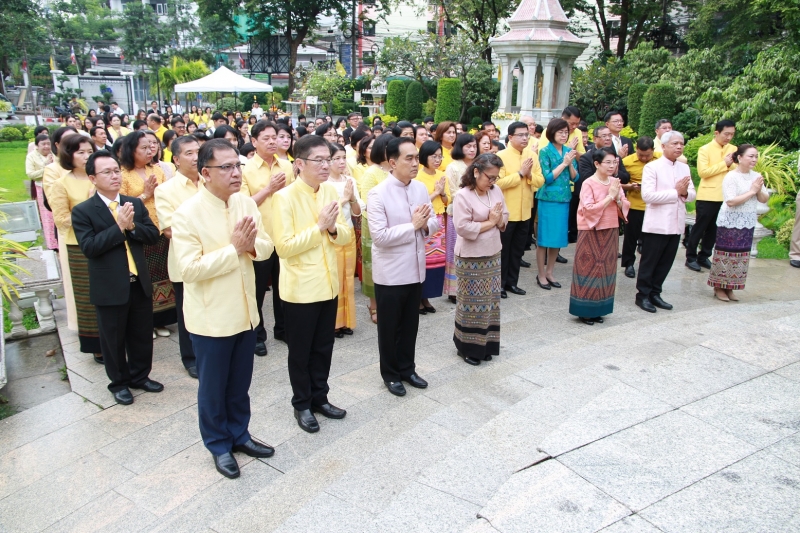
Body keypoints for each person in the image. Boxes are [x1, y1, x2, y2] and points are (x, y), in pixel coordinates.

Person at [171, 139, 275, 479]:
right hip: (211, 318)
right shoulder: (187, 214)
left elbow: (266, 245)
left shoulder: (245, 202)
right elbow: (189, 269)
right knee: (213, 388)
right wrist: (234, 250)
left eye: (237, 166)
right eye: (226, 167)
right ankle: (218, 443)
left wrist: (248, 248)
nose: (235, 173)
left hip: (245, 312)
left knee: (239, 384)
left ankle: (240, 434)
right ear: (205, 173)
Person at [272, 135, 351, 433]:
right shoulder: (284, 197)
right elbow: (285, 247)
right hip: (300, 289)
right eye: (319, 160)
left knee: (324, 346)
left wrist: (331, 228)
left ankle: (320, 397)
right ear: (300, 164)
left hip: (328, 283)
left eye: (328, 159)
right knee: (301, 350)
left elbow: (346, 235)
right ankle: (302, 403)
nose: (325, 165)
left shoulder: (330, 189)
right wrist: (318, 227)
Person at [71, 150, 162, 405]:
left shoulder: (134, 203)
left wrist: (132, 226)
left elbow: (152, 236)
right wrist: (119, 227)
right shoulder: (84, 211)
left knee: (141, 334)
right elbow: (89, 247)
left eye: (116, 171)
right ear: (92, 178)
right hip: (110, 286)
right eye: (107, 172)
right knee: (113, 338)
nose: (114, 176)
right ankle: (119, 383)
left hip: (138, 281)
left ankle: (140, 376)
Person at [369, 137, 439, 397]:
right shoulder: (378, 193)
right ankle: (390, 373)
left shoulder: (420, 188)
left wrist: (423, 224)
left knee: (411, 324)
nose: (415, 163)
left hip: (416, 268)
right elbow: (380, 236)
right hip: (391, 272)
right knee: (389, 327)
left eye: (415, 157)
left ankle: (407, 368)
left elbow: (433, 223)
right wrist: (413, 225)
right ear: (392, 162)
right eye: (408, 158)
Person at [241, 121, 294, 356]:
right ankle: (257, 334)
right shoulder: (244, 169)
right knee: (257, 290)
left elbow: (293, 198)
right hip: (259, 239)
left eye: (275, 137)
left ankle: (283, 329)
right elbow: (242, 205)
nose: (273, 141)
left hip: (283, 236)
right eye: (266, 138)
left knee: (285, 287)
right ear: (254, 142)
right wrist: (268, 189)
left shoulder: (287, 166)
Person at [119, 131, 177, 339]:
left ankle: (162, 320)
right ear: (131, 150)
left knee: (163, 274)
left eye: (152, 146)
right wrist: (145, 194)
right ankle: (147, 322)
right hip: (139, 230)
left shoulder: (157, 169)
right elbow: (121, 206)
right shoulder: (123, 174)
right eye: (143, 148)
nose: (149, 150)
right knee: (146, 277)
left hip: (161, 228)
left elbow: (166, 195)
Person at [49, 136, 103, 360]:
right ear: (68, 155)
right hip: (79, 245)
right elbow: (61, 219)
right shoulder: (61, 184)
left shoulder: (99, 178)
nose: (86, 156)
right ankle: (96, 345)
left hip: (108, 238)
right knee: (88, 297)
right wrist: (88, 206)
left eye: (90, 151)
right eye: (80, 152)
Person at [154, 136, 204, 378]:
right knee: (188, 313)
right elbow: (169, 230)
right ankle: (191, 358)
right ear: (175, 159)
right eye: (189, 153)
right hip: (186, 261)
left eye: (198, 151)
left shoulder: (211, 181)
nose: (195, 157)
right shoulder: (165, 190)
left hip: (217, 258)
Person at [452, 154, 508, 365]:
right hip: (471, 257)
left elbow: (505, 214)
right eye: (489, 177)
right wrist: (491, 221)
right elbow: (463, 227)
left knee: (490, 301)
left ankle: (487, 344)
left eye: (495, 178)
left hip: (493, 252)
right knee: (471, 302)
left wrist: (498, 220)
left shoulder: (496, 191)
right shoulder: (463, 196)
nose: (492, 182)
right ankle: (467, 347)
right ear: (476, 172)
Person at [636, 131, 696, 313]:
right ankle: (643, 295)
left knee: (666, 261)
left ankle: (656, 292)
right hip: (657, 223)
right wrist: (675, 192)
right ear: (663, 146)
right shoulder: (652, 167)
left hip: (676, 222)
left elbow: (692, 193)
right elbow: (647, 195)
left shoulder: (684, 168)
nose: (679, 147)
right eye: (675, 143)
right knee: (650, 261)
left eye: (681, 143)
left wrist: (684, 193)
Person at [570, 149, 630, 325]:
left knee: (606, 270)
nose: (612, 166)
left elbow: (624, 204)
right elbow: (587, 208)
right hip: (591, 230)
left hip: (611, 229)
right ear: (597, 164)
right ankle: (584, 311)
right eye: (608, 162)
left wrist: (618, 199)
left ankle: (600, 309)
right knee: (588, 269)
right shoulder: (588, 183)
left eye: (614, 162)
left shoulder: (615, 181)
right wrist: (610, 197)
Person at [707, 145, 769, 301]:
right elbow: (731, 201)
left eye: (756, 156)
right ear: (740, 157)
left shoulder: (756, 176)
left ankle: (731, 287)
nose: (754, 159)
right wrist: (752, 191)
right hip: (730, 221)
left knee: (740, 257)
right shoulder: (731, 176)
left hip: (747, 221)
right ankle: (719, 286)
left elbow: (764, 199)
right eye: (750, 156)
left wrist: (759, 189)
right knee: (725, 255)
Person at [496, 121, 543, 297]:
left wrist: (530, 175)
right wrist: (520, 175)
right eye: (521, 135)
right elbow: (498, 183)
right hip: (507, 212)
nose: (525, 138)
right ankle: (499, 284)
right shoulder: (501, 156)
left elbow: (540, 181)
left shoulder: (532, 155)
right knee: (504, 250)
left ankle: (512, 283)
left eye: (526, 135)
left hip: (525, 211)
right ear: (510, 137)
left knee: (518, 250)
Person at [686, 119, 737, 272]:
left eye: (732, 134)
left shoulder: (733, 149)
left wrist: (728, 164)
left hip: (726, 195)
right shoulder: (705, 149)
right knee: (700, 227)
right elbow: (704, 172)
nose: (728, 138)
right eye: (726, 134)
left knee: (715, 229)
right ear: (717, 133)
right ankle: (691, 257)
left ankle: (704, 255)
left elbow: (736, 169)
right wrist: (724, 164)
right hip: (707, 195)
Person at [327, 143, 365, 338]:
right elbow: (326, 212)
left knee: (348, 277)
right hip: (332, 234)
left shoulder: (349, 180)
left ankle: (346, 321)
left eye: (343, 157)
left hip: (348, 231)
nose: (342, 162)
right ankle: (333, 322)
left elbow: (357, 212)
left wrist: (351, 199)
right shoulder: (323, 183)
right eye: (337, 158)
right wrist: (343, 198)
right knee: (335, 277)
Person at [536, 119, 578, 290]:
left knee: (557, 239)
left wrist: (570, 164)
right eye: (560, 132)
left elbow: (575, 177)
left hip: (563, 198)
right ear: (552, 133)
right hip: (547, 199)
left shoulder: (569, 151)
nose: (563, 135)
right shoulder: (545, 152)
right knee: (544, 239)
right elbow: (547, 177)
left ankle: (550, 271)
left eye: (565, 132)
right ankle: (540, 273)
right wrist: (564, 163)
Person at [359, 134, 393, 324]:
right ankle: (373, 305)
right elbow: (367, 203)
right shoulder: (372, 172)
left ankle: (387, 303)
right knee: (373, 265)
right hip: (374, 224)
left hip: (394, 224)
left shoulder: (396, 171)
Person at [444, 134, 478, 304]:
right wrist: (471, 190)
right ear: (460, 148)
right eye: (468, 146)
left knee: (472, 251)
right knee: (456, 250)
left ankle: (471, 286)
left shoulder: (480, 165)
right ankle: (454, 290)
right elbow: (451, 192)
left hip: (477, 215)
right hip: (457, 214)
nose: (472, 150)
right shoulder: (453, 167)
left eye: (474, 146)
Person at [416, 141, 449, 313]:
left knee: (436, 262)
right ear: (424, 157)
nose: (437, 159)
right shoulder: (417, 177)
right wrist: (436, 192)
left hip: (439, 222)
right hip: (424, 221)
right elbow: (418, 201)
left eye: (439, 156)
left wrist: (442, 192)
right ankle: (419, 299)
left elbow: (446, 200)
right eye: (433, 156)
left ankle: (427, 297)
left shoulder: (442, 175)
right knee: (423, 262)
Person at [621, 137, 660, 278]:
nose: (644, 158)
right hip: (635, 204)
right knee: (631, 237)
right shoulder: (627, 161)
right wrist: (630, 187)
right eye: (640, 155)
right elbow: (619, 182)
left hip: (654, 205)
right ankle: (628, 263)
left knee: (652, 239)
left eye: (647, 155)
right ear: (636, 150)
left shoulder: (661, 160)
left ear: (653, 151)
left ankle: (647, 265)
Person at [26, 134, 59, 250]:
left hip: (56, 187)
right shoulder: (32, 156)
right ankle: (53, 244)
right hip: (42, 188)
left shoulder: (55, 154)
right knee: (47, 216)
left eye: (48, 144)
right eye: (43, 144)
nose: (46, 147)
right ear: (37, 145)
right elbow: (30, 174)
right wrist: (46, 167)